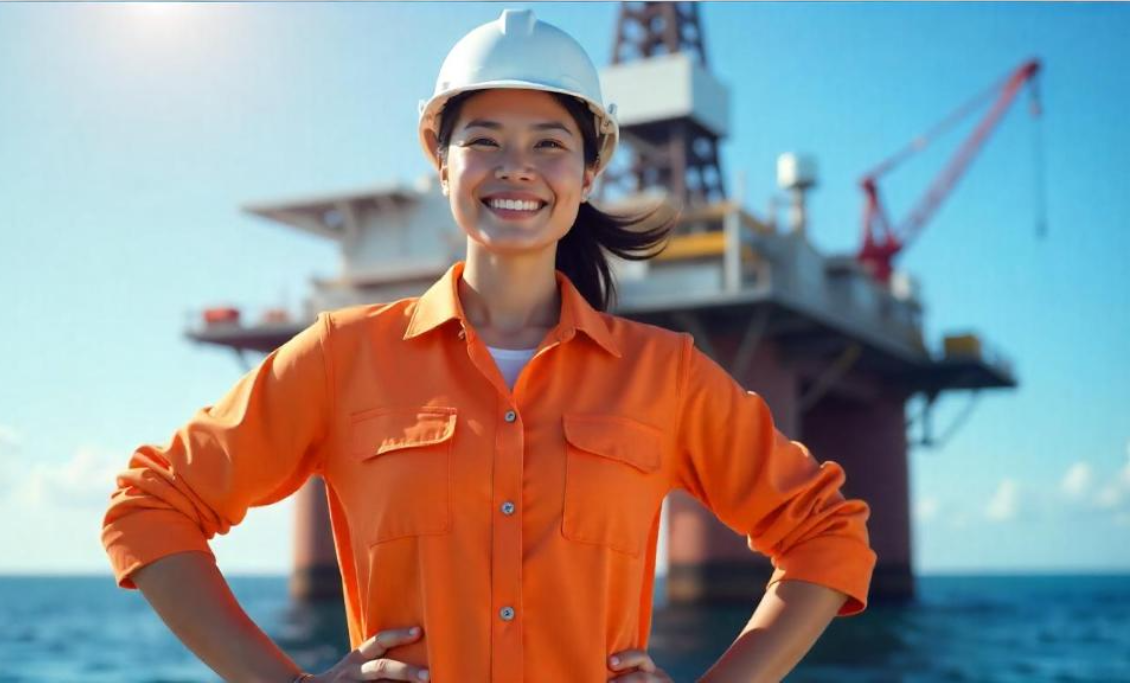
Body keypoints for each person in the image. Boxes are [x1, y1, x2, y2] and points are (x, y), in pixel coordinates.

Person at [100, 9, 877, 682]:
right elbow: (149, 506)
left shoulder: (663, 375)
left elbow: (827, 534)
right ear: (440, 161)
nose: (516, 168)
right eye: (484, 140)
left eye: (549, 144)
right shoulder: (342, 356)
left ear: (590, 171)